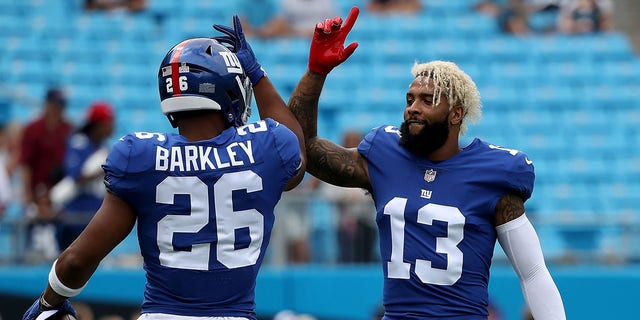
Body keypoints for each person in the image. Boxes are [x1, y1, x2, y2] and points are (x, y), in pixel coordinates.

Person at [288, 6, 566, 319]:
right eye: (409, 100)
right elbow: (305, 149)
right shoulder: (384, 155)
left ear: (457, 114)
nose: (413, 108)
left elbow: (533, 273)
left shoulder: (492, 172)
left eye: (427, 100)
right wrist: (315, 73)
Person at [23, 15, 305, 320]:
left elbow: (78, 260)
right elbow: (298, 151)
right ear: (228, 92)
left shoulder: (141, 155)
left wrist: (47, 302)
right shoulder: (267, 146)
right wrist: (257, 73)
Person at [54, 101, 115, 251]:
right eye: (109, 122)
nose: (112, 126)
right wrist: (103, 168)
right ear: (98, 124)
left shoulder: (102, 147)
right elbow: (76, 176)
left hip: (94, 213)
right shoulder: (79, 143)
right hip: (75, 213)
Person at [320, 130, 377, 263]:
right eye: (348, 144)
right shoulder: (336, 168)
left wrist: (360, 198)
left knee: (365, 259)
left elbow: (379, 190)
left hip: (366, 223)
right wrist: (347, 197)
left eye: (355, 143)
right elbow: (327, 193)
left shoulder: (370, 167)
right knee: (346, 259)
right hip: (344, 225)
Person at [19, 87, 73, 211]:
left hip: (60, 190)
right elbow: (25, 163)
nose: (58, 108)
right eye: (56, 104)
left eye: (61, 105)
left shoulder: (68, 129)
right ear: (47, 104)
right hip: (36, 190)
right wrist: (27, 192)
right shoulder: (33, 129)